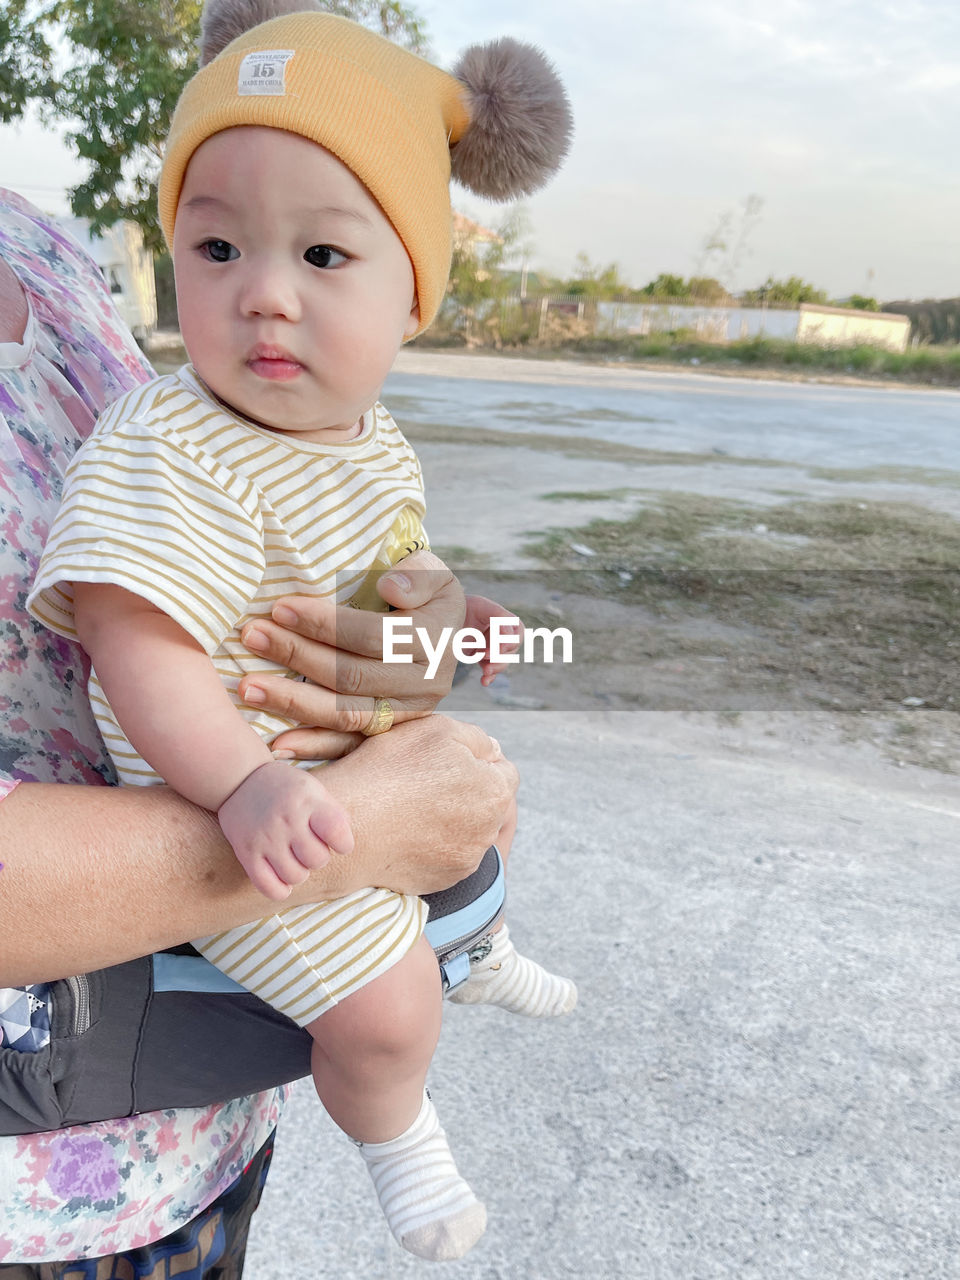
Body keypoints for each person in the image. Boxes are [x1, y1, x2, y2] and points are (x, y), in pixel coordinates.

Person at [28, 0, 576, 1264]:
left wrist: (453, 618)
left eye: (321, 259)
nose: (263, 296)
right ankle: (403, 1139)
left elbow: (399, 570)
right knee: (384, 1010)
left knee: (473, 823)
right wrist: (244, 782)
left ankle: (477, 946)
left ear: (413, 298)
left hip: (317, 773)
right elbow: (135, 641)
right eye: (216, 249)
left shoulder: (365, 441)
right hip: (225, 794)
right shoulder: (173, 440)